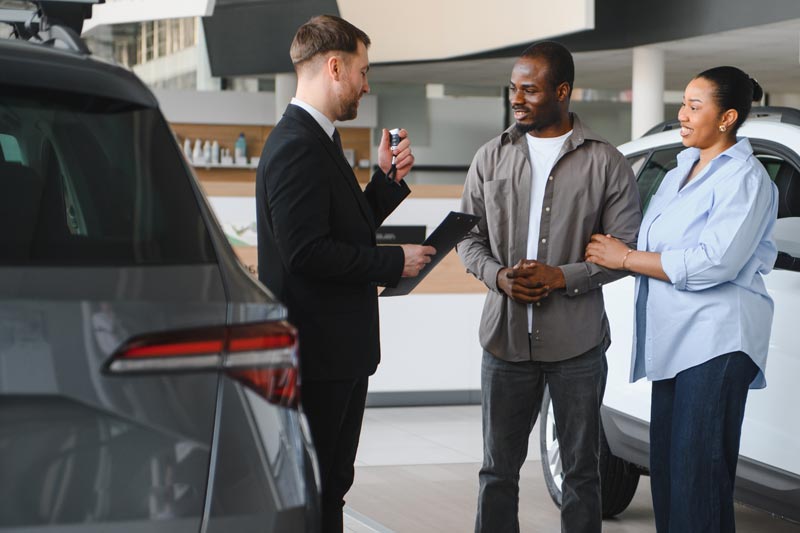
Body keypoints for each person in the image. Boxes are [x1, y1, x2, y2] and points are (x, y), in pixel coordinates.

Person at [255, 15, 435, 533]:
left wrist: (383, 183)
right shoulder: (296, 146)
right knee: (317, 489)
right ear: (334, 66)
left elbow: (339, 229)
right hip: (319, 357)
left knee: (331, 482)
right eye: (362, 70)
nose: (366, 84)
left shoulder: (319, 139)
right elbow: (307, 253)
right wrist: (393, 261)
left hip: (336, 353)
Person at [457, 41, 642, 533]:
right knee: (497, 472)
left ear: (562, 91)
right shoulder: (488, 158)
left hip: (577, 347)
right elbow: (466, 240)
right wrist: (498, 276)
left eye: (530, 90)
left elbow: (625, 250)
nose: (516, 99)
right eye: (513, 88)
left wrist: (562, 276)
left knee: (582, 473)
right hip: (504, 343)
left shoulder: (607, 163)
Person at [585, 67, 777, 533]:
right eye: (683, 103)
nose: (682, 115)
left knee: (698, 481)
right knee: (671, 478)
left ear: (727, 117)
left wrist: (627, 257)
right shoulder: (676, 173)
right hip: (675, 342)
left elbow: (715, 263)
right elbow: (660, 245)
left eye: (695, 106)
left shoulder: (746, 179)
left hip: (716, 343)